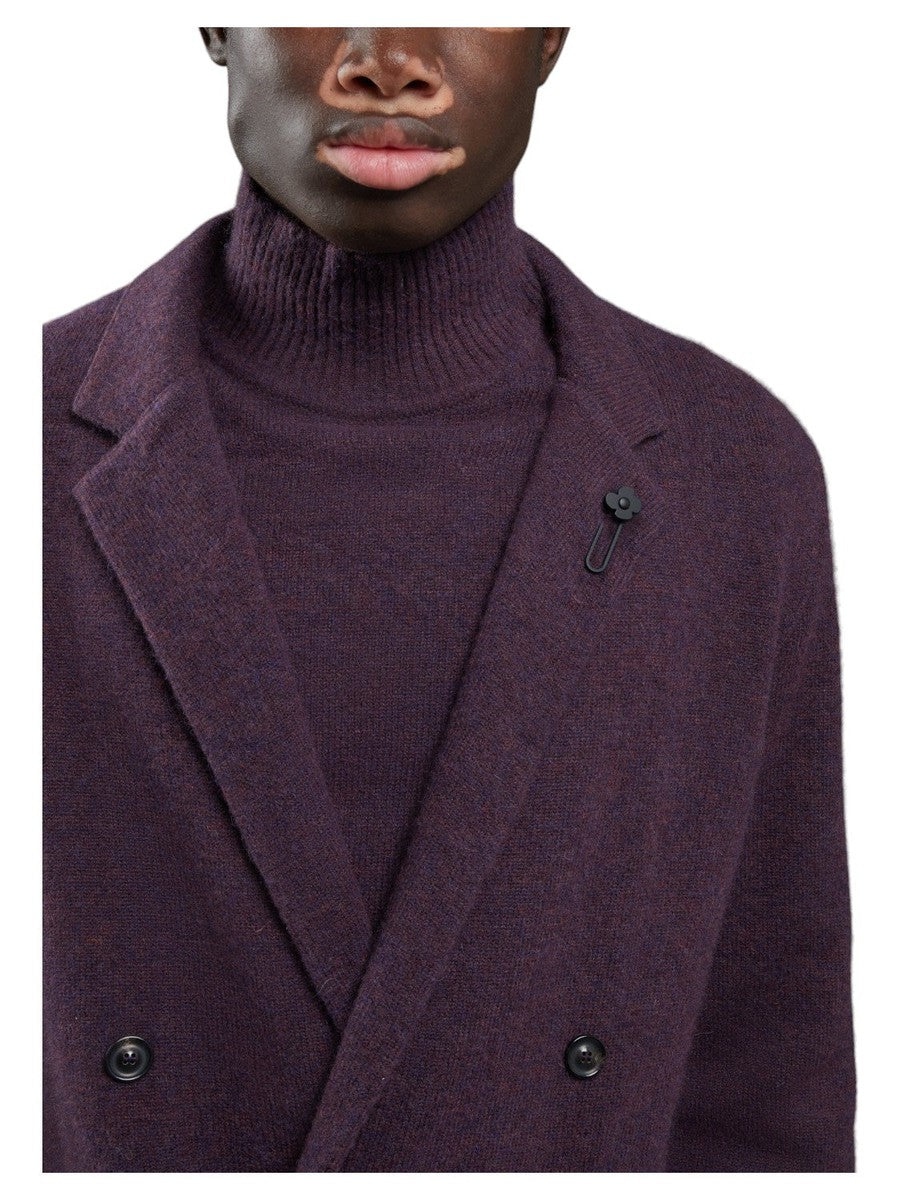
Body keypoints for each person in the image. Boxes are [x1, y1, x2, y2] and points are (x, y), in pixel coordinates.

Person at [43, 28, 856, 1172]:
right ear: (215, 19)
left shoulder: (737, 476)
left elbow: (769, 1096)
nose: (391, 58)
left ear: (551, 30)